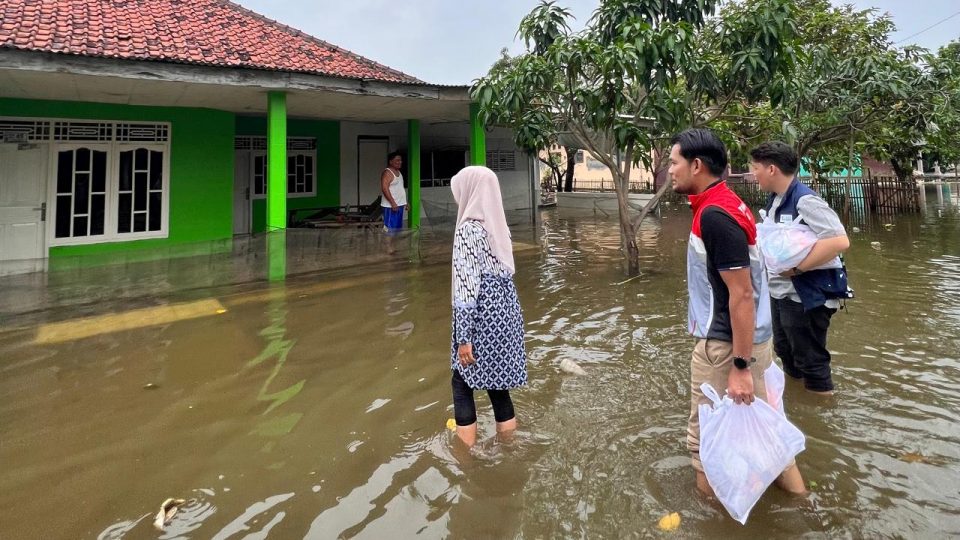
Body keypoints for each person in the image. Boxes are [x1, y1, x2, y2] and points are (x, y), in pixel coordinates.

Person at [668, 128, 806, 496]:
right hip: (749, 342)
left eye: (674, 162)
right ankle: (803, 509)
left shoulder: (714, 215)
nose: (669, 170)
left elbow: (742, 294)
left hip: (726, 347)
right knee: (768, 434)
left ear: (696, 165)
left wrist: (739, 367)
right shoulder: (726, 203)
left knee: (707, 445)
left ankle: (714, 521)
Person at [749, 142, 851, 395]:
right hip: (781, 291)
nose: (753, 174)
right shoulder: (776, 199)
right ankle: (796, 403)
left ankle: (821, 412)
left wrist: (797, 268)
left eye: (756, 168)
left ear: (772, 169)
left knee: (810, 358)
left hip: (806, 293)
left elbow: (839, 241)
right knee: (785, 350)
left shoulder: (805, 200)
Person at [449, 166, 527, 447]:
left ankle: (465, 457)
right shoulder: (498, 226)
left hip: (482, 314)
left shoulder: (468, 230)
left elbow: (466, 286)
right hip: (506, 312)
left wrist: (465, 337)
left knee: (461, 383)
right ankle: (508, 447)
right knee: (498, 387)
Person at [381, 151, 407, 232]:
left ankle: (394, 245)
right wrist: (392, 203)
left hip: (399, 206)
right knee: (389, 230)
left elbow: (399, 189)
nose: (400, 162)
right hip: (390, 207)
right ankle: (387, 245)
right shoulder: (388, 173)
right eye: (397, 160)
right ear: (390, 161)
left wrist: (405, 202)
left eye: (401, 160)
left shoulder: (399, 172)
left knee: (397, 230)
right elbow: (384, 188)